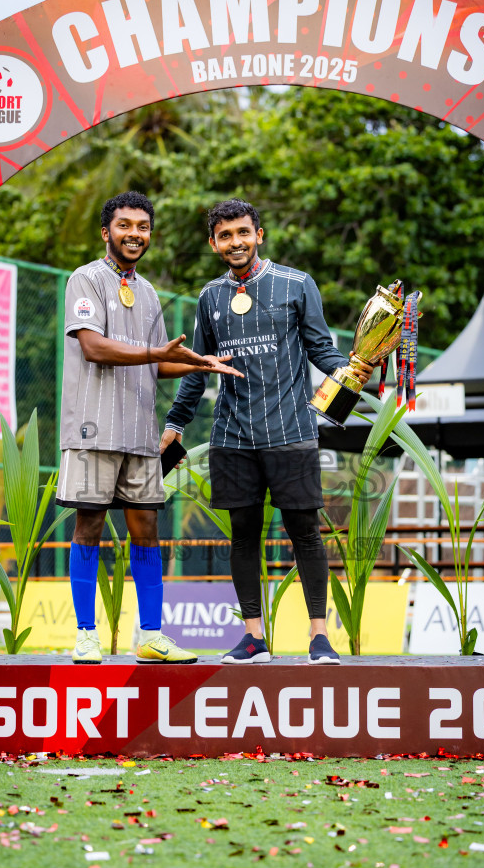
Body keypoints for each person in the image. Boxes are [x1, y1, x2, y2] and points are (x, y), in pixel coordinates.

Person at [161, 198, 374, 664]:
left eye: (242, 232)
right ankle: (254, 638)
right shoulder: (210, 296)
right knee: (243, 536)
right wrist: (176, 423)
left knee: (306, 533)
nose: (235, 242)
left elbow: (320, 347)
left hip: (292, 431)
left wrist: (354, 370)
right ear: (213, 243)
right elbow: (198, 369)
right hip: (232, 438)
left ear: (259, 234)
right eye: (225, 235)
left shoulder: (296, 284)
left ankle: (319, 638)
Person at [56, 191, 242, 665]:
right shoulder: (85, 279)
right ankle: (85, 635)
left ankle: (152, 636)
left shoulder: (150, 292)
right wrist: (157, 354)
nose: (134, 233)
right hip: (93, 430)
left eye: (142, 226)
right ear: (106, 232)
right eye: (125, 225)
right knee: (89, 526)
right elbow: (94, 348)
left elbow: (159, 364)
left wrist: (201, 363)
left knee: (147, 531)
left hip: (140, 434)